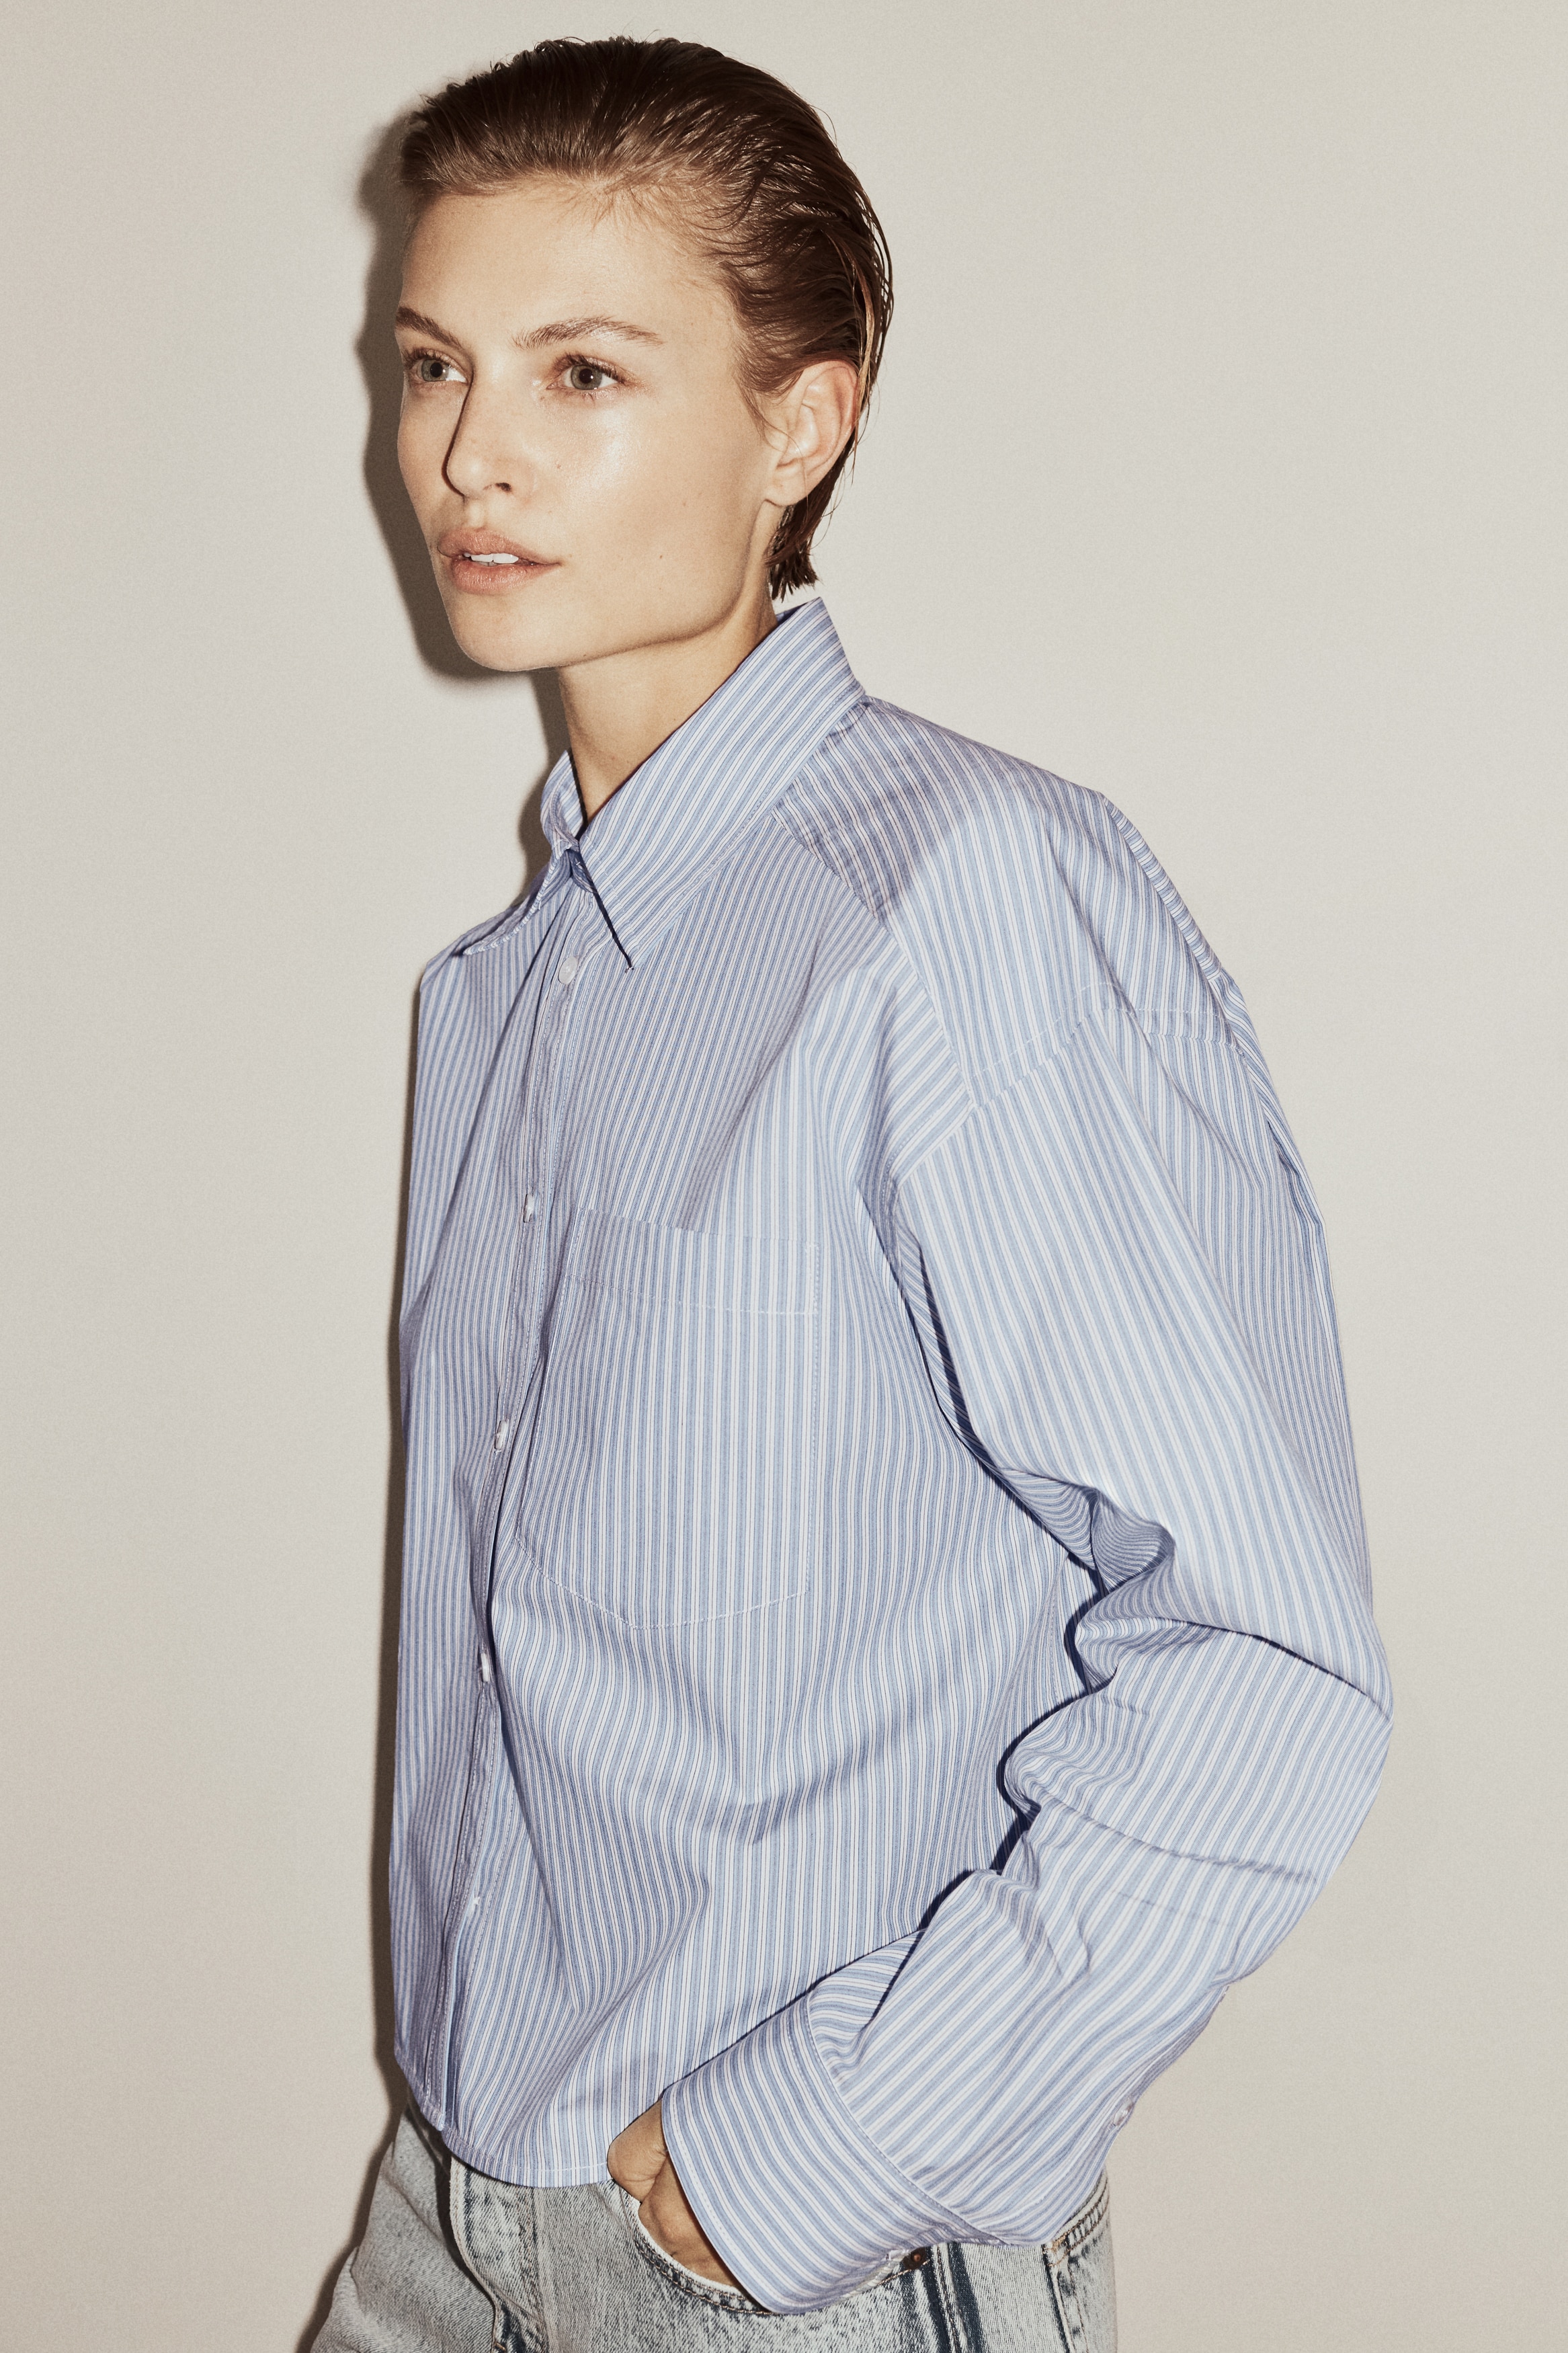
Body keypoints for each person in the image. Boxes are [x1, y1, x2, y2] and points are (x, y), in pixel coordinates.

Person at [316, 34, 1391, 2352]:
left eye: (583, 372)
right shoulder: (500, 992)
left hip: (776, 2264)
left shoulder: (966, 903)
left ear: (801, 422)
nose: (472, 452)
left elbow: (1266, 1659)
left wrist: (819, 2146)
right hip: (451, 2208)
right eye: (433, 365)